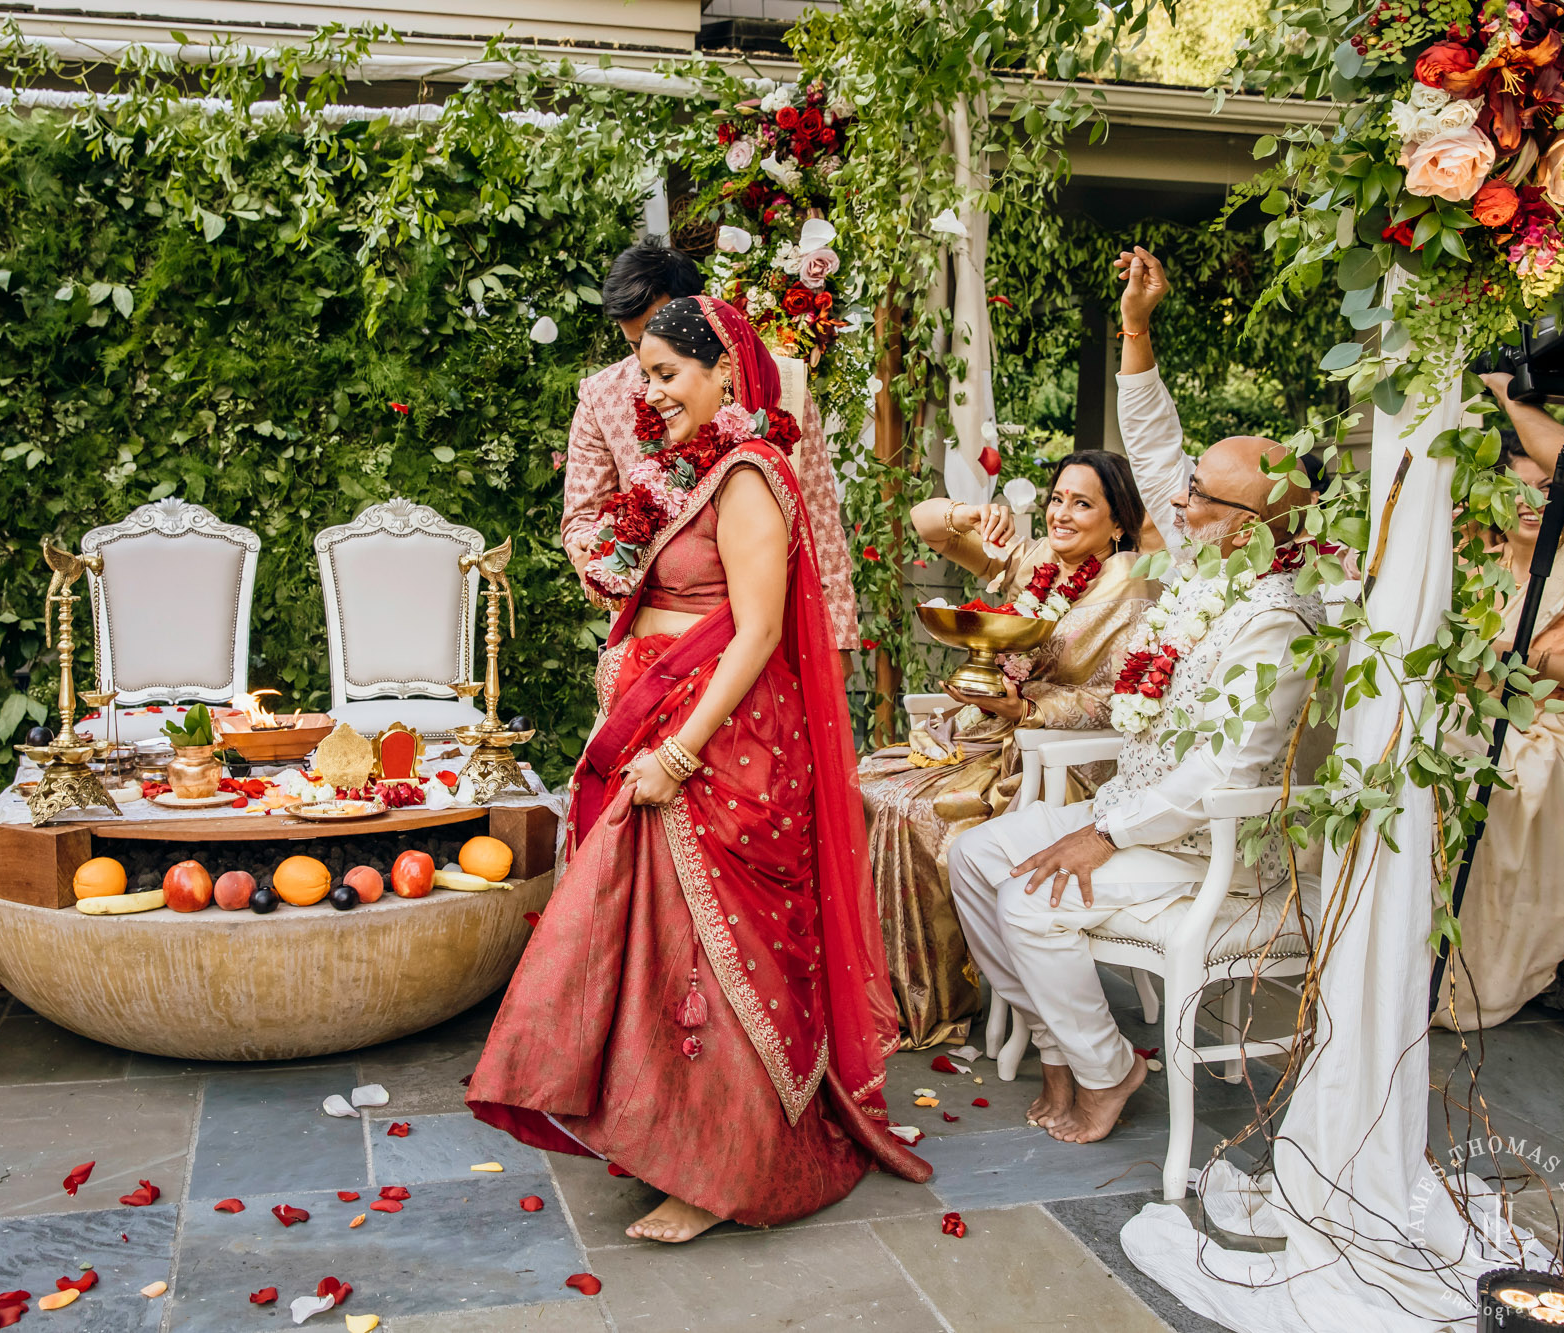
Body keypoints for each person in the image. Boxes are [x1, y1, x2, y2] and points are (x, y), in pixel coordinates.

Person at [468, 294, 930, 1242]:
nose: (652, 393)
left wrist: (679, 753)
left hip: (722, 749)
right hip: (667, 730)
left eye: (667, 374)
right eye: (646, 376)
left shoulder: (753, 477)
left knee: (719, 958)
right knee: (656, 945)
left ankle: (726, 1168)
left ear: (727, 371)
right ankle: (667, 1136)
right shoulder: (699, 475)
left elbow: (758, 631)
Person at [947, 246, 1325, 1143]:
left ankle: (1110, 1070)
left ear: (1253, 527)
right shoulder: (1208, 559)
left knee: (1031, 900)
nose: (1179, 503)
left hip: (1213, 847)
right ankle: (1065, 1045)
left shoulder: (1281, 619)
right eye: (1190, 490)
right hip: (1131, 805)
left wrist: (1104, 832)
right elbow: (1154, 446)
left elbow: (1229, 769)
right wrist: (1136, 327)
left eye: (1201, 498)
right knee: (975, 858)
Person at [857, 455, 1155, 1048]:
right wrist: (968, 512)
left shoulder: (1130, 581)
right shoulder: (1035, 560)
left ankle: (929, 996)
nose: (1061, 514)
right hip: (983, 730)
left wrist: (1027, 711)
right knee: (864, 783)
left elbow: (1116, 702)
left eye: (1082, 503)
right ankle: (867, 984)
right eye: (1057, 497)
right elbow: (929, 527)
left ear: (1118, 521)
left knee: (916, 809)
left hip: (1058, 757)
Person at [561, 238, 862, 664]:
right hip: (649, 648)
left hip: (766, 634)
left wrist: (837, 638)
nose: (646, 354)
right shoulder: (602, 396)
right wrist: (597, 557)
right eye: (634, 344)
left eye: (659, 328)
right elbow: (582, 517)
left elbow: (819, 518)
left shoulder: (777, 384)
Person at [1433, 430, 1564, 1038]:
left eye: (1548, 489)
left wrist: (1522, 654)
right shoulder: (1474, 560)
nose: (1532, 502)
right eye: (1516, 488)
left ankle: (1468, 976)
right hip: (1481, 714)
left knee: (1484, 774)